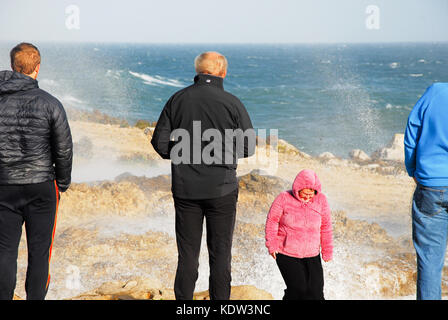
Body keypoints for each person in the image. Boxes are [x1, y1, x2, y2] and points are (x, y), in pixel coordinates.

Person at [151, 51, 255, 300]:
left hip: (186, 190)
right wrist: (217, 152)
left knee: (187, 257)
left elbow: (159, 142)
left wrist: (186, 151)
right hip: (222, 190)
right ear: (223, 72)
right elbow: (248, 146)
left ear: (198, 71)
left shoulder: (177, 99)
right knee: (221, 256)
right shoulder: (232, 102)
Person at [0, 43, 73, 300]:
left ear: (12, 66)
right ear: (37, 68)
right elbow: (63, 149)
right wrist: (62, 183)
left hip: (4, 186)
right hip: (42, 187)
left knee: (4, 251)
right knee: (40, 252)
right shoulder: (51, 104)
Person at [404, 83, 448, 300]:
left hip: (431, 184)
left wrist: (412, 168)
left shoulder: (435, 92)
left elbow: (412, 129)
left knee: (429, 262)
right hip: (431, 183)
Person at [265, 169, 333, 300]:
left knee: (316, 293)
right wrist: (271, 244)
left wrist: (327, 250)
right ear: (297, 189)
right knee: (298, 289)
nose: (308, 197)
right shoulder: (284, 198)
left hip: (312, 254)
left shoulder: (321, 200)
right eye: (304, 194)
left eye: (311, 194)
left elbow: (326, 227)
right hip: (286, 253)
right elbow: (272, 221)